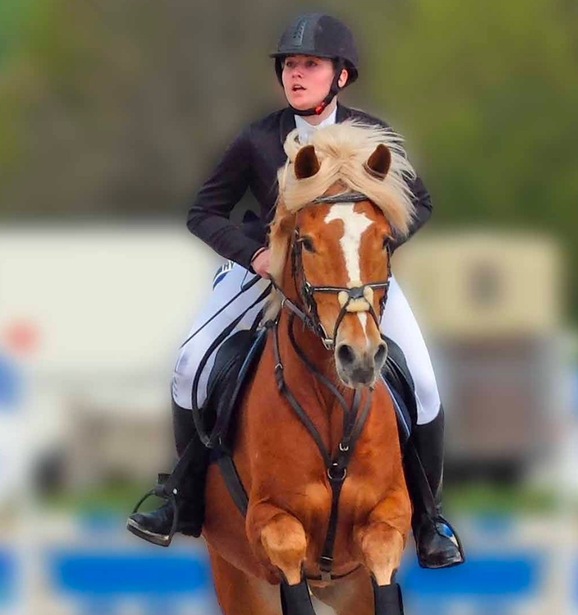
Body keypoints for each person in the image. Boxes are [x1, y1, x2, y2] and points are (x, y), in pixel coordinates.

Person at [127, 12, 464, 569]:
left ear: (341, 76)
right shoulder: (258, 140)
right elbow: (204, 212)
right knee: (189, 362)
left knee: (424, 382)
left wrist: (366, 252)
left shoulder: (373, 138)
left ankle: (430, 520)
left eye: (310, 64)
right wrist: (256, 254)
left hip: (352, 279)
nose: (295, 73)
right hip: (265, 273)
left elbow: (418, 204)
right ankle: (181, 496)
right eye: (289, 65)